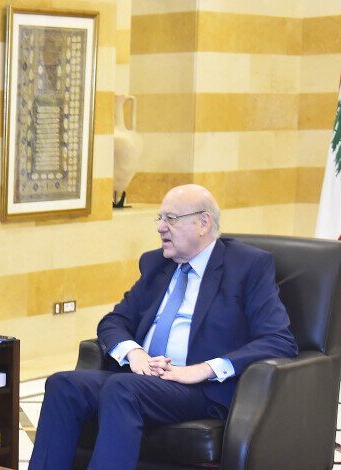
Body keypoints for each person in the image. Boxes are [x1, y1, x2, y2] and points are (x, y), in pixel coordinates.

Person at [29, 184, 298, 470]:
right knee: (63, 384)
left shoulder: (247, 266)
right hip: (141, 378)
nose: (160, 227)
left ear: (203, 223)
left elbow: (279, 340)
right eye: (159, 218)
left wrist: (203, 369)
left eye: (171, 219)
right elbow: (114, 321)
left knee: (122, 388)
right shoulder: (157, 264)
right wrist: (135, 354)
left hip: (198, 389)